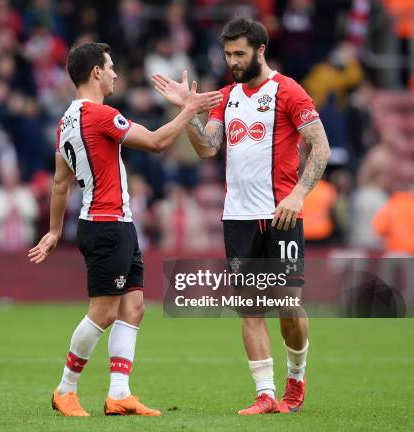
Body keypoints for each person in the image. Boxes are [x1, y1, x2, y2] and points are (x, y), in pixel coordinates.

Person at [28, 42, 222, 417]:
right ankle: (65, 390)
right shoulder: (100, 116)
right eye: (111, 66)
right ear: (96, 73)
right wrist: (190, 109)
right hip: (106, 225)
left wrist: (54, 231)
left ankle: (119, 394)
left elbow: (59, 181)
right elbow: (156, 142)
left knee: (133, 307)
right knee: (102, 312)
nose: (116, 73)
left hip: (116, 223)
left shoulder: (67, 120)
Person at [152, 18, 331, 415]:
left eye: (239, 54)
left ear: (260, 50)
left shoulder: (289, 92)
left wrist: (299, 195)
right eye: (228, 54)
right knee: (249, 308)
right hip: (237, 219)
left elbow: (321, 148)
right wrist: (189, 112)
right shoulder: (229, 96)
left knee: (288, 307)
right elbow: (207, 148)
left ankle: (296, 377)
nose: (232, 61)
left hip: (281, 215)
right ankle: (266, 394)